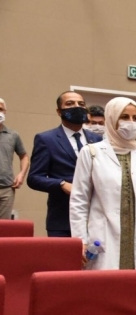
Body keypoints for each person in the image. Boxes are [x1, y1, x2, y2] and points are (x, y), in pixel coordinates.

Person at [69, 96, 136, 294]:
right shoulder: (91, 153)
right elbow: (79, 200)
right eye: (124, 117)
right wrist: (80, 240)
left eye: (135, 118)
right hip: (102, 238)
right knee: (104, 294)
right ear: (111, 118)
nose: (131, 123)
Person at [27, 91, 103, 237]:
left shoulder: (98, 139)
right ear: (59, 111)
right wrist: (61, 184)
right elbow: (34, 178)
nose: (77, 107)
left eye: (81, 104)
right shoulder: (46, 139)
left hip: (96, 217)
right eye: (70, 104)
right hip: (63, 218)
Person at [0, 98, 29, 220]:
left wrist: (21, 174)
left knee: (3, 227)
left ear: (5, 111)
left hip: (6, 189)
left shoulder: (13, 135)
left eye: (1, 109)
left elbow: (24, 156)